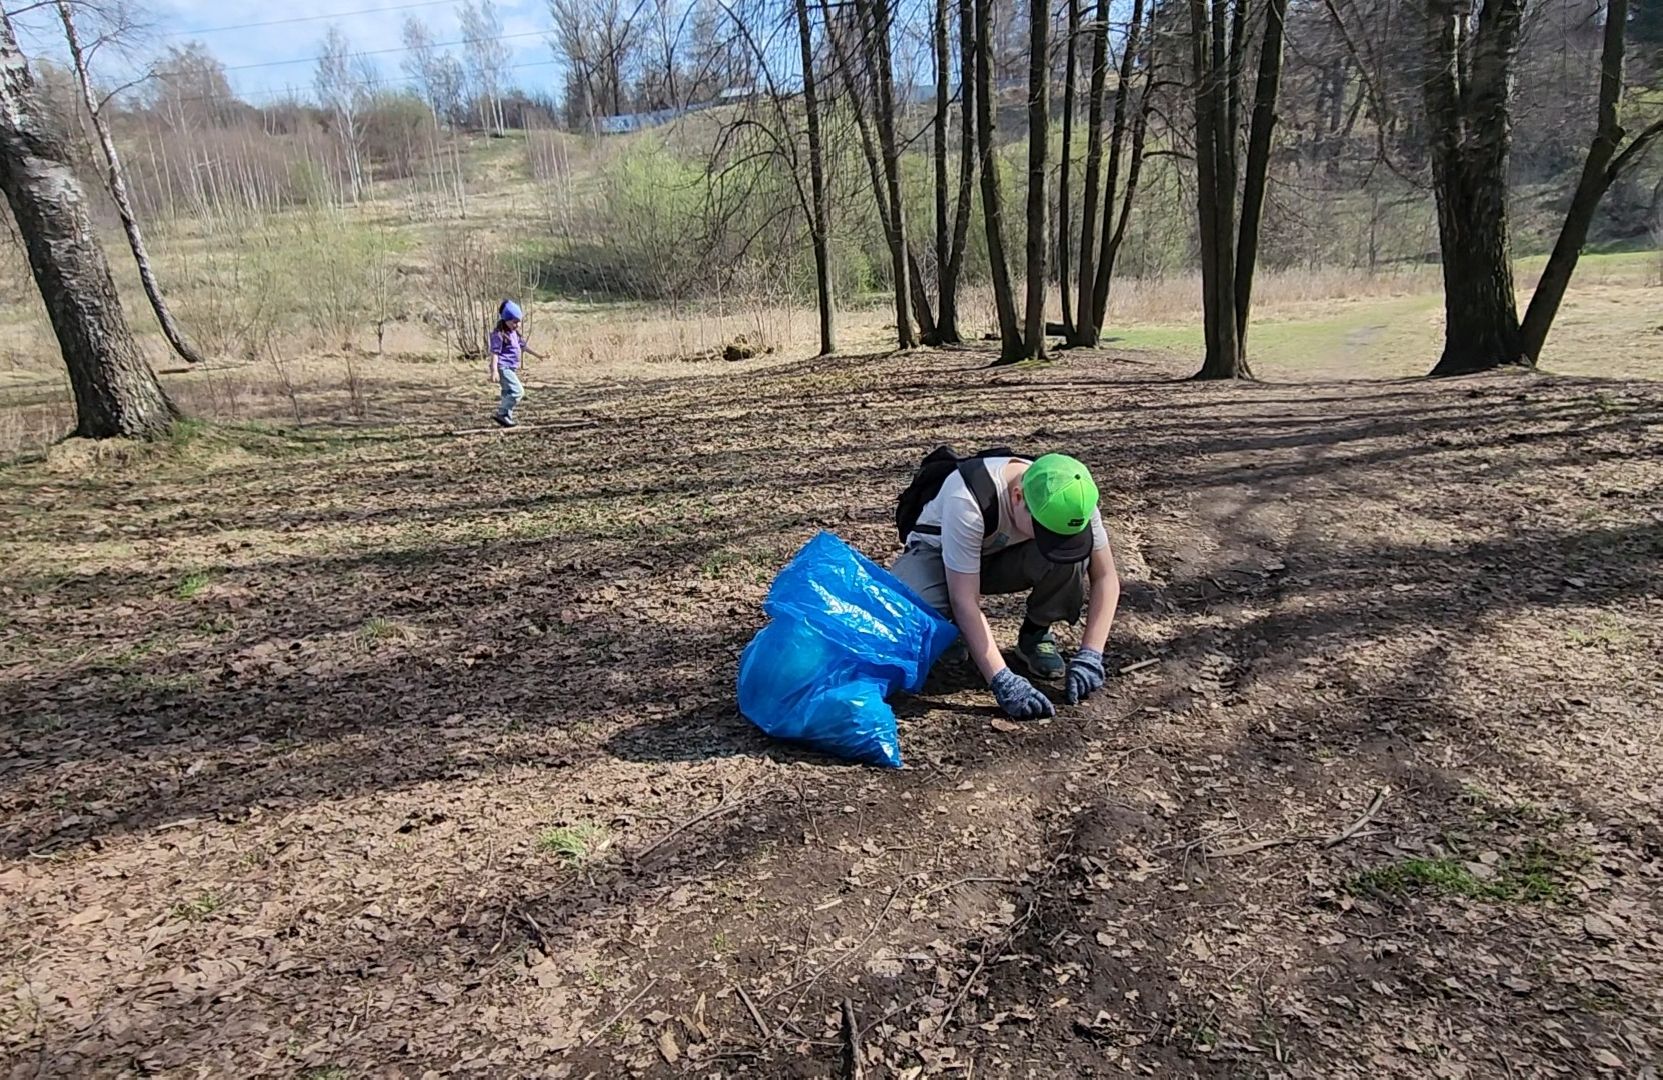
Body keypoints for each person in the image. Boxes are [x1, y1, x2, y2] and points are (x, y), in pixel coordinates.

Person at [891, 452, 1120, 722]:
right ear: (1017, 496)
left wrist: (1091, 654)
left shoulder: (1074, 497)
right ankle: (950, 632)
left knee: (1072, 556)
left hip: (1002, 559)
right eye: (1044, 530)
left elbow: (1106, 577)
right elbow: (964, 599)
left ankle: (1035, 635)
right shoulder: (968, 497)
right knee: (910, 605)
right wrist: (1002, 680)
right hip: (938, 557)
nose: (1053, 539)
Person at [489, 300, 546, 428]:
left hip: (511, 368)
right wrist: (494, 371)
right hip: (503, 368)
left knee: (507, 392)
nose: (518, 325)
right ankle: (502, 413)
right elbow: (494, 353)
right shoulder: (499, 335)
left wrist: (538, 355)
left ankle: (506, 418)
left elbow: (523, 347)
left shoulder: (514, 334)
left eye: (519, 321)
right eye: (514, 322)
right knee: (518, 391)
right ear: (506, 320)